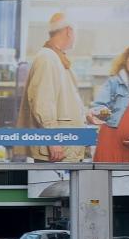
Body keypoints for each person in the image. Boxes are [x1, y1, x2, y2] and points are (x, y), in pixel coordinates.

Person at [15, 12, 88, 163]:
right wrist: (53, 139)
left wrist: (86, 114)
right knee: (54, 187)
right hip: (57, 151)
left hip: (65, 148)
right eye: (75, 32)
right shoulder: (47, 58)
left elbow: (64, 102)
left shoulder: (58, 58)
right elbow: (43, 103)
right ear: (69, 31)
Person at [89, 45, 129, 164]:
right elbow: (98, 106)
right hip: (111, 139)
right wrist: (100, 112)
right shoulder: (114, 82)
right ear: (125, 59)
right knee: (108, 178)